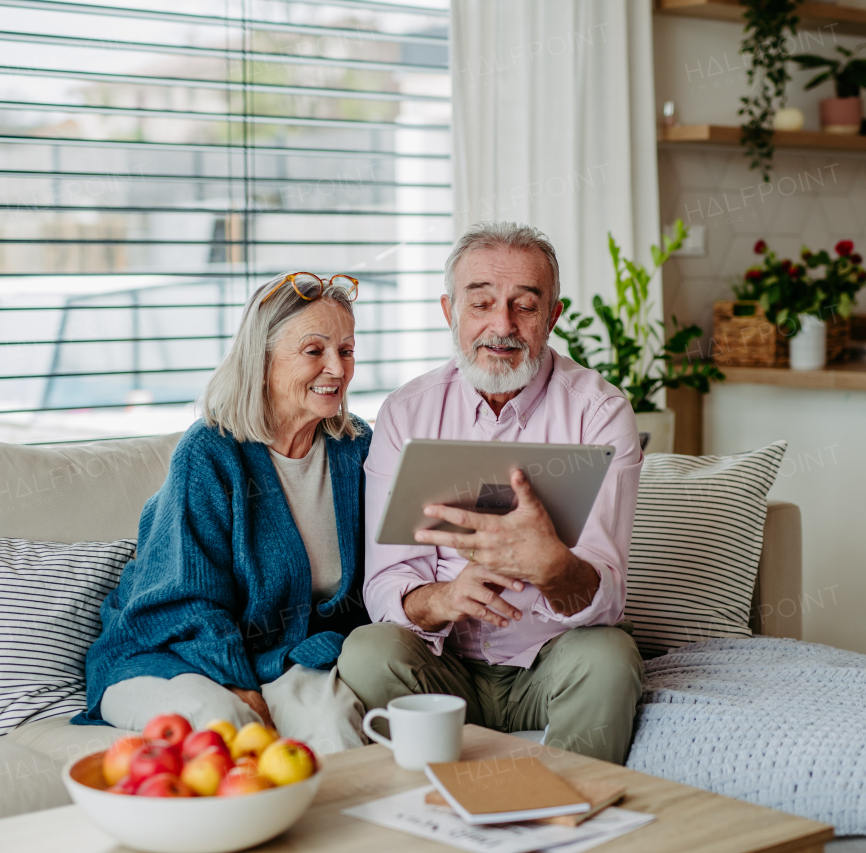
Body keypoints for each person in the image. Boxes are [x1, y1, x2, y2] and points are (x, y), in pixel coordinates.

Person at [337, 222, 645, 764]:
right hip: (442, 668)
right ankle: (434, 815)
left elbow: (608, 596)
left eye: (525, 306)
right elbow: (386, 581)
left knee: (611, 657)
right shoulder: (405, 413)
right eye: (480, 304)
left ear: (552, 315)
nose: (501, 326)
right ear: (449, 311)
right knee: (367, 651)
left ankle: (565, 821)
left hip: (551, 663)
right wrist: (446, 599)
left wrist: (552, 567)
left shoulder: (600, 413)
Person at [78, 273, 372, 755]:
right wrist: (239, 686)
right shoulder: (210, 453)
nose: (337, 368)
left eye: (347, 350)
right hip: (168, 652)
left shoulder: (354, 448)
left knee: (336, 723)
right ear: (262, 361)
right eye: (315, 351)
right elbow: (183, 600)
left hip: (277, 656)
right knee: (226, 726)